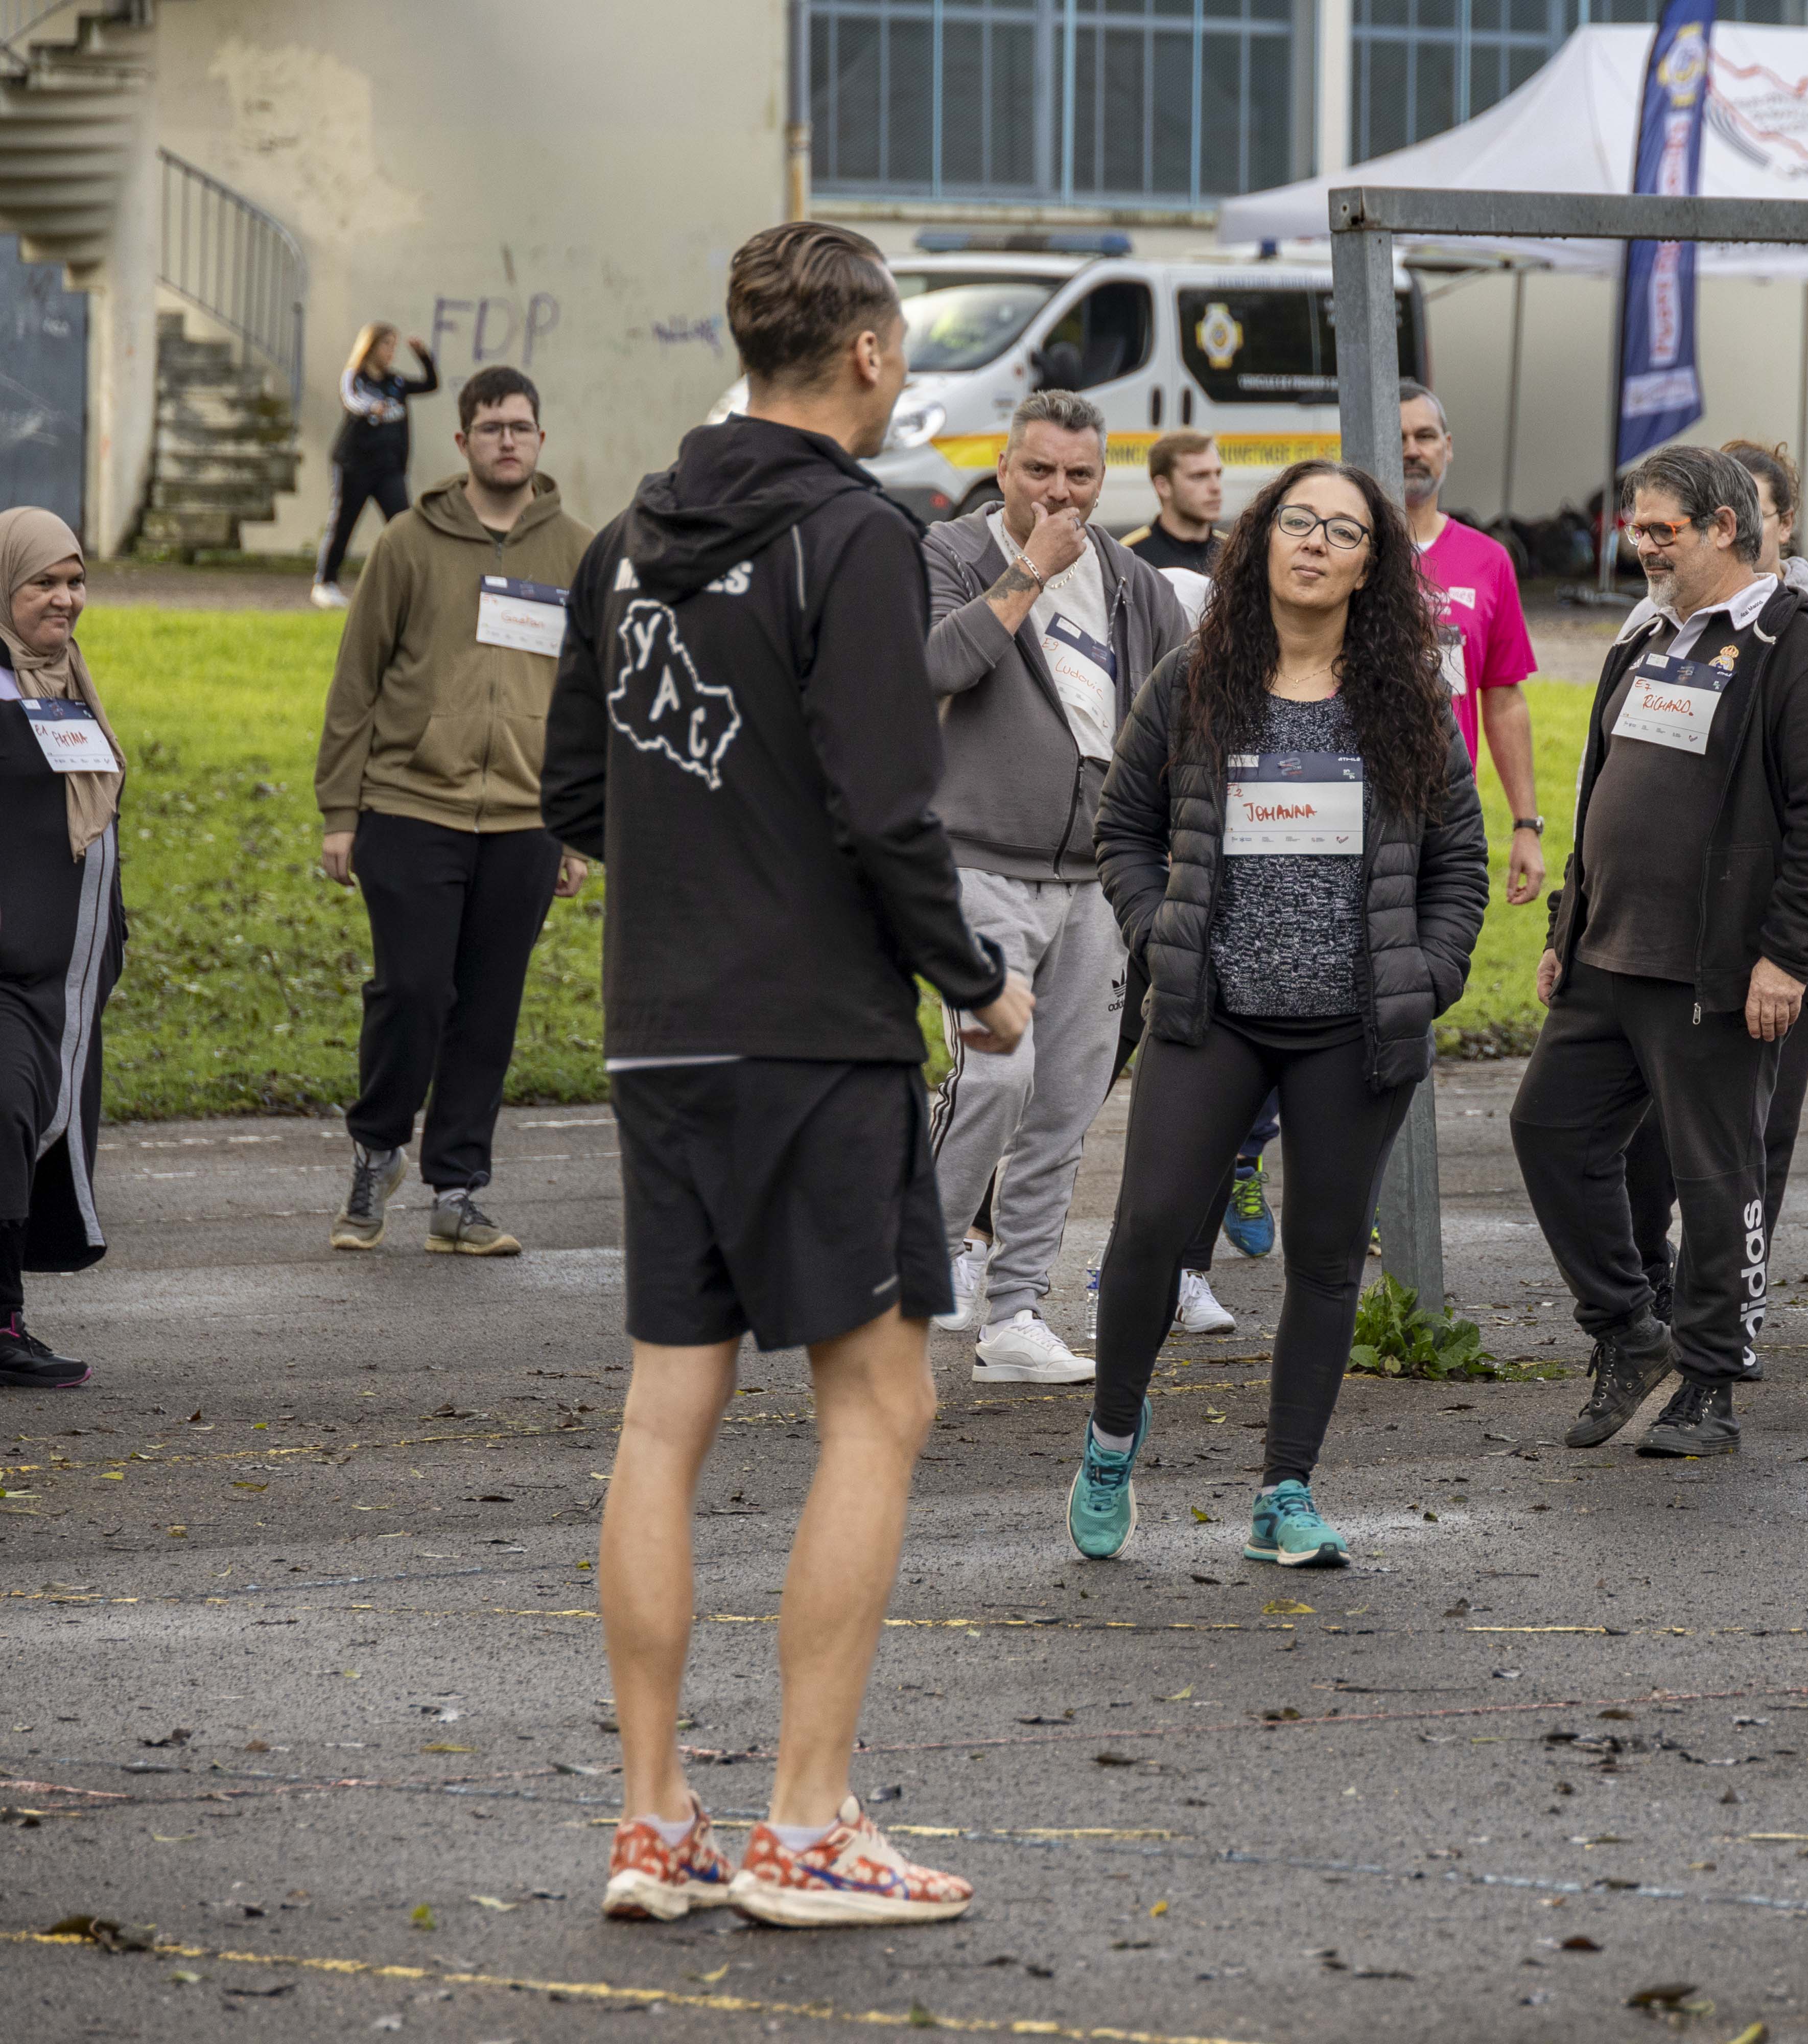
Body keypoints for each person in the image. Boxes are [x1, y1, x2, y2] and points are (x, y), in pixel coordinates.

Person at [543, 220, 1032, 1927]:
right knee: (878, 1405)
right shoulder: (862, 536)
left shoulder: (624, 538)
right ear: (875, 356)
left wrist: (699, 879)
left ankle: (651, 1821)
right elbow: (888, 809)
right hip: (812, 1037)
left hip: (658, 1030)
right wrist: (975, 984)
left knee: (665, 1417)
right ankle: (807, 1824)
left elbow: (576, 797)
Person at [1073, 461, 1488, 1565]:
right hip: (1216, 1016)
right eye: (1297, 520)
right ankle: (1113, 1436)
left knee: (1322, 1255)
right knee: (1152, 1227)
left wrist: (1429, 972)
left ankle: (1284, 1491)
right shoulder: (1195, 680)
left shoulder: (1408, 699)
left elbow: (1461, 864)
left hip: (1353, 1030)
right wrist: (1160, 928)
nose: (1315, 541)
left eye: (1343, 531)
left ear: (1370, 566)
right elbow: (1121, 826)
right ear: (1261, 542)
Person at [1514, 443, 1808, 1460]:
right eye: (1636, 527)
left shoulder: (1797, 645)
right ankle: (1629, 1324)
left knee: (1720, 1177)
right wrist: (1565, 927)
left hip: (1719, 969)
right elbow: (1600, 792)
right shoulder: (1646, 639)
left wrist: (1787, 956)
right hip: (1607, 957)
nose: (1643, 545)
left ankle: (1710, 1381)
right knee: (1548, 1130)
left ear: (1727, 526)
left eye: (1664, 528)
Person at [921, 390, 1190, 1381]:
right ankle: (922, 1257)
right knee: (998, 1072)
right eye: (1040, 471)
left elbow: (1181, 707)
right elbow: (934, 666)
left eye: (1079, 475)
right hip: (979, 859)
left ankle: (1016, 1312)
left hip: (1098, 877)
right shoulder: (952, 551)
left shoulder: (1130, 580)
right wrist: (1029, 571)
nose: (1060, 492)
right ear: (1005, 469)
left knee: (1068, 1100)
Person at [1612, 438, 1808, 1327]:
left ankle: (1728, 1312)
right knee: (1646, 1139)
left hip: (1779, 927)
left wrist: (1782, 906)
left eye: (1767, 512)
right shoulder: (1653, 622)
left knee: (1749, 1138)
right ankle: (1658, 1298)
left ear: (1771, 522)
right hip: (1661, 938)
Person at [314, 365, 593, 1258]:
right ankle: (376, 1148)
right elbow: (357, 680)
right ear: (463, 441)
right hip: (409, 801)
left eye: (521, 426)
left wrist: (582, 825)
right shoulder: (406, 541)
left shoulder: (577, 553)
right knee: (414, 990)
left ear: (541, 441)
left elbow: (593, 697)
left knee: (490, 1007)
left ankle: (458, 1193)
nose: (506, 439)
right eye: (490, 427)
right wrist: (339, 811)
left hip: (526, 815)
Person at [0, 510, 122, 1390]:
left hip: (67, 974)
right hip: (7, 967)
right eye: (44, 582)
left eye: (75, 581)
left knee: (33, 1136)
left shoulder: (68, 684)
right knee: (4, 1122)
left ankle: (6, 1319)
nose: (65, 599)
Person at [1398, 381, 1544, 909]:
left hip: (1447, 811)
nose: (1413, 450)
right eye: (1398, 438)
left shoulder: (1488, 560)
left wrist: (1525, 825)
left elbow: (1503, 700)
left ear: (1448, 446)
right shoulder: (1348, 547)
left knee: (1436, 972)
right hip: (1354, 802)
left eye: (1425, 436)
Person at [313, 322, 440, 610]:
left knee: (404, 525)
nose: (391, 352)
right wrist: (372, 408)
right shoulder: (354, 378)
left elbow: (431, 384)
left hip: (389, 469)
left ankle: (414, 586)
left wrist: (424, 356)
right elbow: (352, 400)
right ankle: (326, 583)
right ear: (370, 347)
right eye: (386, 345)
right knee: (343, 522)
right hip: (354, 465)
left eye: (394, 346)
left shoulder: (396, 383)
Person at [1120, 431, 1224, 574]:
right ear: (1163, 486)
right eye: (1199, 476)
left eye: (1218, 474)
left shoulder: (1238, 553)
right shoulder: (1128, 557)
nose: (1216, 488)